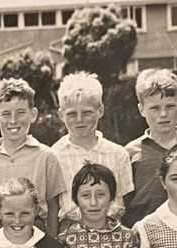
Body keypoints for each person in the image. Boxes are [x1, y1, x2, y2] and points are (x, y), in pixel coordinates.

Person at [123, 69, 177, 228]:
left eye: (170, 106)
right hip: (144, 237)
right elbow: (124, 204)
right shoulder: (130, 152)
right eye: (155, 108)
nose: (163, 114)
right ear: (141, 109)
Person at [0, 78, 65, 235]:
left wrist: (51, 244)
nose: (13, 120)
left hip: (35, 229)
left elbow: (53, 207)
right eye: (6, 114)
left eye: (20, 112)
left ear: (32, 114)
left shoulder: (46, 156)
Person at [51, 72, 134, 227]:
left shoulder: (118, 154)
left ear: (100, 110)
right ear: (61, 115)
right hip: (70, 232)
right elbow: (52, 206)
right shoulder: (53, 156)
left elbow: (127, 204)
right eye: (72, 114)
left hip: (112, 231)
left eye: (87, 112)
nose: (79, 120)